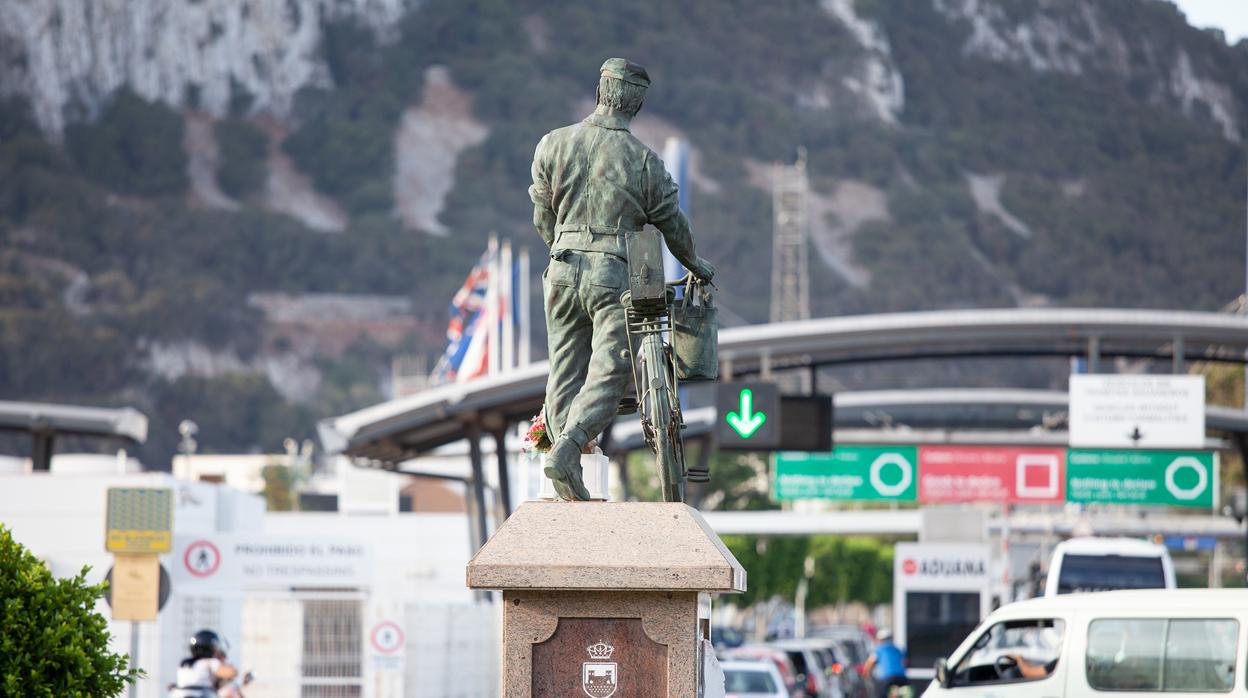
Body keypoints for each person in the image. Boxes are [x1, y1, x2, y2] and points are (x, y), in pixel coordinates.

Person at [529, 57, 715, 500]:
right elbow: (674, 226)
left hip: (561, 265)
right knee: (609, 369)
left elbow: (542, 215)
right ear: (636, 104)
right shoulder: (644, 162)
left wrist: (562, 248)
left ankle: (559, 458)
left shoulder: (552, 144)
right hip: (610, 272)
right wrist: (696, 264)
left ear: (600, 91)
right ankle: (569, 449)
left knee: (564, 368)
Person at [170, 629, 238, 697]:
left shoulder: (184, 664)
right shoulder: (210, 662)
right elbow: (231, 673)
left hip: (178, 695)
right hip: (202, 695)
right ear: (209, 648)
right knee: (231, 690)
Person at [863, 629, 907, 698]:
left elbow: (870, 663)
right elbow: (904, 663)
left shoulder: (880, 649)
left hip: (887, 678)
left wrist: (866, 673)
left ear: (880, 640)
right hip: (902, 678)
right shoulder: (898, 649)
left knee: (881, 695)